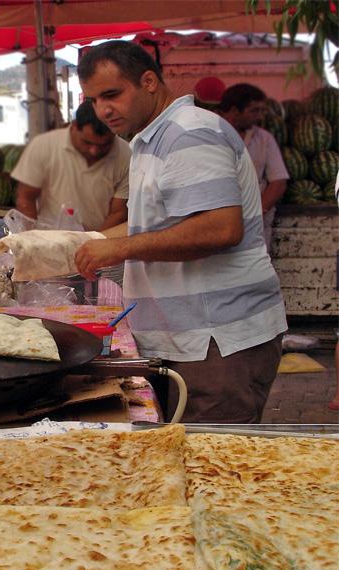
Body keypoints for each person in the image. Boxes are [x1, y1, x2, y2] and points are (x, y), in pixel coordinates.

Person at [74, 41, 288, 424]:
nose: (103, 109)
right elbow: (154, 224)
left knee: (214, 468)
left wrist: (119, 249)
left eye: (112, 94)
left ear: (149, 81)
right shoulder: (151, 138)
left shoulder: (188, 133)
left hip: (216, 340)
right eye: (93, 99)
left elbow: (220, 228)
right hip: (189, 339)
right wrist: (88, 243)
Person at [10, 101, 130, 233]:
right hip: (49, 241)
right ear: (74, 126)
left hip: (98, 242)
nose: (94, 151)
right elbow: (26, 199)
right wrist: (30, 239)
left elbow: (118, 213)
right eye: (87, 142)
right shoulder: (43, 145)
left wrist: (94, 244)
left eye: (104, 145)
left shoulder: (127, 155)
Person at [219, 83, 289, 253]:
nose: (260, 116)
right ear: (235, 111)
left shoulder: (264, 139)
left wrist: (257, 212)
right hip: (220, 225)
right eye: (254, 111)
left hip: (257, 228)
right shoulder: (211, 136)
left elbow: (278, 181)